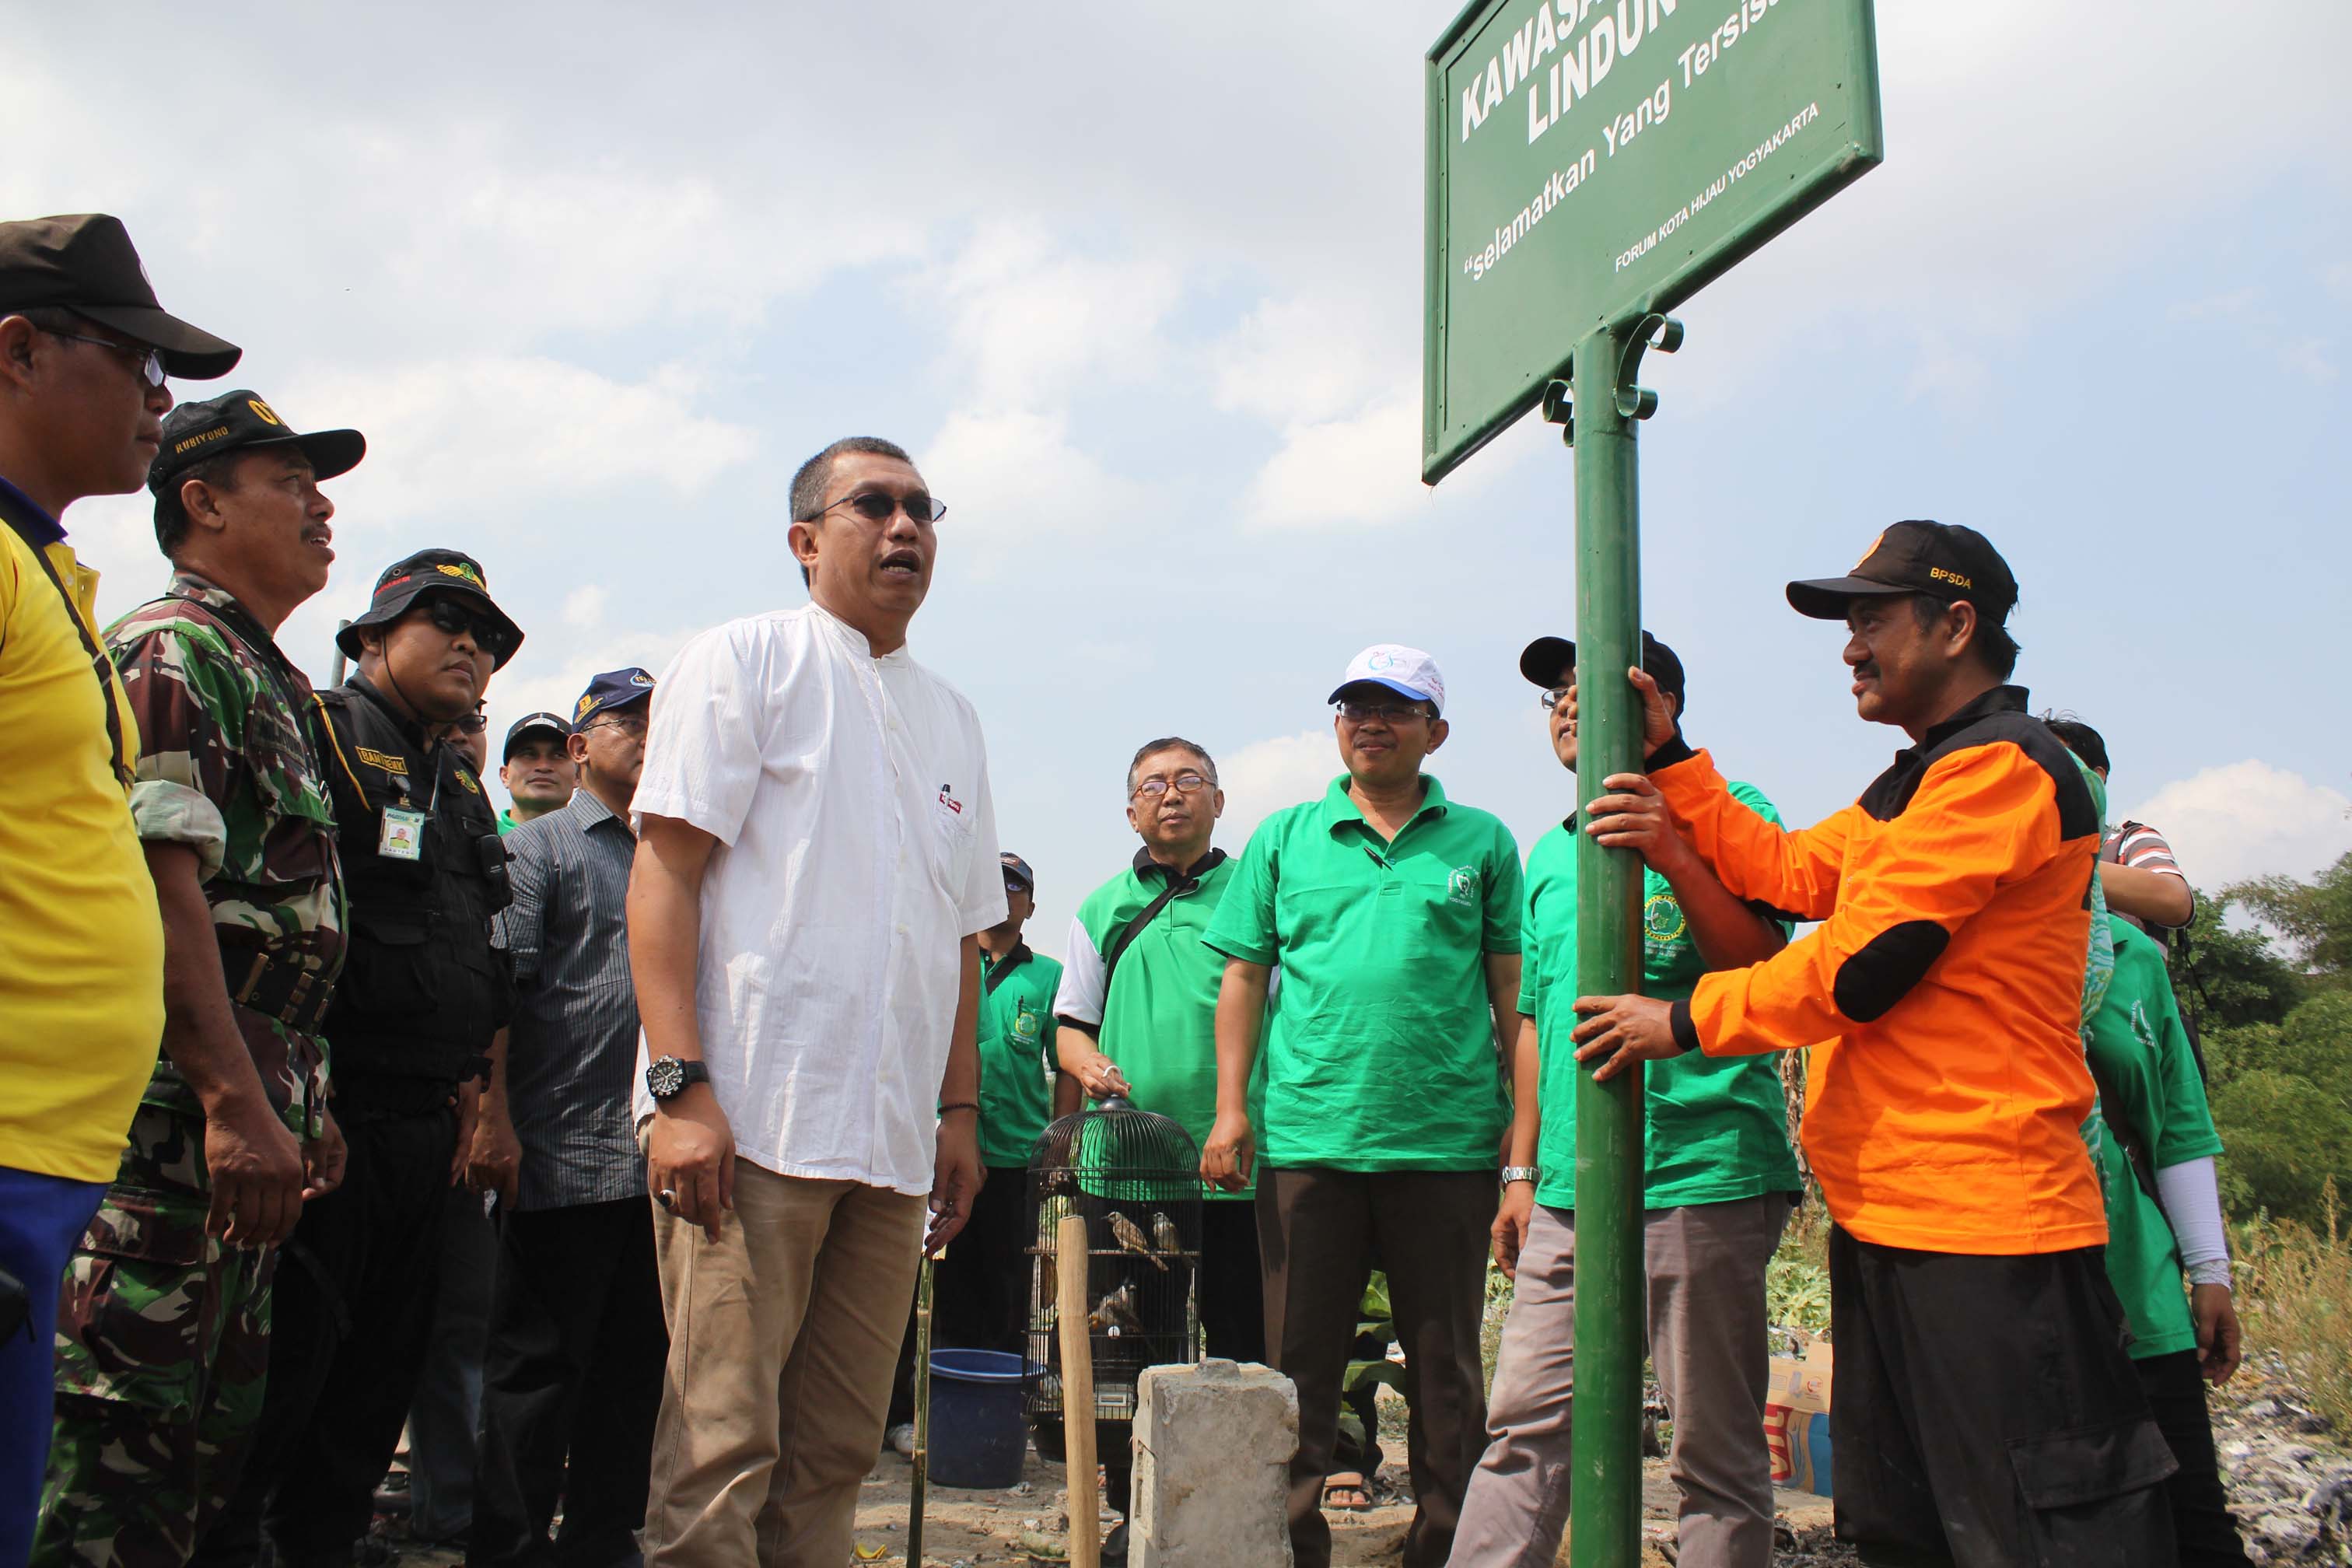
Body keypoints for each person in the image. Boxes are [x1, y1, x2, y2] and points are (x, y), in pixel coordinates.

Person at [1571, 521, 2179, 1566]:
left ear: (1956, 624)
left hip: (1991, 1228)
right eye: (1846, 623)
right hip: (1895, 1214)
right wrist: (1670, 756)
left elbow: (1860, 966)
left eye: (1871, 620)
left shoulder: (2005, 771)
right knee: (1906, 1527)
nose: (1850, 646)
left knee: (2031, 1531)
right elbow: (1790, 871)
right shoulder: (1917, 781)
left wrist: (1678, 1022)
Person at [627, 436, 1000, 1567]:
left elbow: (957, 941)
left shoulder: (953, 718)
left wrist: (959, 1115)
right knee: (720, 1445)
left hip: (887, 1151)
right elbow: (665, 874)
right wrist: (680, 1088)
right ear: (805, 540)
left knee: (837, 1452)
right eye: (873, 506)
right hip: (751, 1122)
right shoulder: (746, 661)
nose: (905, 529)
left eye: (923, 510)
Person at [28, 388, 355, 1566]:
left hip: (246, 1122)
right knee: (113, 1460)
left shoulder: (266, 674)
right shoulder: (175, 649)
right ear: (203, 502)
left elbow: (279, 923)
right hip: (167, 1134)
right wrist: (230, 1098)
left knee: (198, 1462)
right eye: (291, 483)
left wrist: (301, 1096)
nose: (323, 509)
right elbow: (160, 888)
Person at [195, 548, 522, 1568]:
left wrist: (480, 1103)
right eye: (443, 620)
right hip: (326, 1116)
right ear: (370, 638)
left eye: (488, 635)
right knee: (289, 1365)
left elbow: (476, 953)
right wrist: (298, 1093)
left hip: (427, 1123)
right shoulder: (322, 736)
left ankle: (322, 1543)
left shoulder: (458, 782)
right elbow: (263, 926)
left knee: (383, 1367)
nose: (471, 644)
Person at [1451, 633, 1801, 1568]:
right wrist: (1520, 1173)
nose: (1568, 706)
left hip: (1701, 1170)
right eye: (1555, 695)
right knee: (1524, 1428)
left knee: (1710, 1449)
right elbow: (1529, 1025)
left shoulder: (1731, 810)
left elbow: (1769, 968)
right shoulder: (1550, 853)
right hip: (1569, 1188)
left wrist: (1674, 851)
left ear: (1659, 705)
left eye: (1589, 687)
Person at [0, 212, 240, 1568]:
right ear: (21, 350)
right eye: (137, 363)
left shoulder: (44, 567)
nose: (160, 401)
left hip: (42, 1158)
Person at [1199, 645, 1524, 1568]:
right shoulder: (1286, 837)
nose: (1370, 722)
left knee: (1447, 1370)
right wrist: (1232, 1109)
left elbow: (1510, 986)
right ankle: (1293, 1542)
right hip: (1312, 1138)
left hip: (1447, 1141)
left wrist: (1516, 1126)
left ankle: (1447, 1544)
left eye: (1396, 708)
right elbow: (1244, 978)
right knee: (1297, 1363)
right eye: (1355, 707)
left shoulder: (1483, 841)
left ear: (1437, 730)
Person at [462, 667, 668, 1568]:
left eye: (661, 720)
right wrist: (491, 1119)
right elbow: (498, 991)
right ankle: (506, 1545)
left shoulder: (678, 852)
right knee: (536, 1370)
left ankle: (600, 1537)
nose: (649, 735)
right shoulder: (539, 849)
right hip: (558, 1151)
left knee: (634, 1372)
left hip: (654, 1161)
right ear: (582, 747)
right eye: (629, 723)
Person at [2058, 744, 2251, 1567]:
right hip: (2013, 1288)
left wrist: (2209, 1270)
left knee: (2191, 1527)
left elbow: (2174, 1122)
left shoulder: (2132, 962)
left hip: (2136, 1282)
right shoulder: (1941, 942)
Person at [884, 852, 1060, 1457]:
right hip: (927, 1154)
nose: (1003, 896)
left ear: (1031, 905)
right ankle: (905, 1416)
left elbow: (1065, 1066)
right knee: (917, 1291)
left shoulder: (1050, 976)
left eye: (1017, 888)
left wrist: (1057, 1143)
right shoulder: (938, 962)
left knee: (1006, 1293)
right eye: (992, 883)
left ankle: (996, 1414)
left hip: (1013, 1162)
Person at [2043, 715, 2196, 936]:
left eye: (2057, 762)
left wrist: (2053, 865)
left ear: (2096, 777)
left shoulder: (2127, 841)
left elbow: (2176, 901)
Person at [498, 710, 576, 834]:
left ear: (578, 776)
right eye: (528, 755)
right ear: (505, 775)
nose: (543, 767)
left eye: (558, 755)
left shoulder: (603, 844)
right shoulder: (472, 841)